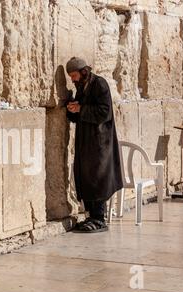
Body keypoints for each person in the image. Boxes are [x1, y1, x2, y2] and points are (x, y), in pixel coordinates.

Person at [65, 57, 123, 233]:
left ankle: (99, 218)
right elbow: (80, 114)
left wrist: (81, 109)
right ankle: (91, 216)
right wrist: (72, 109)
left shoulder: (100, 84)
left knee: (98, 178)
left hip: (100, 142)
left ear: (84, 72)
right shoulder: (82, 87)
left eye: (74, 75)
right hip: (86, 142)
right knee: (86, 177)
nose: (73, 80)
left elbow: (104, 112)